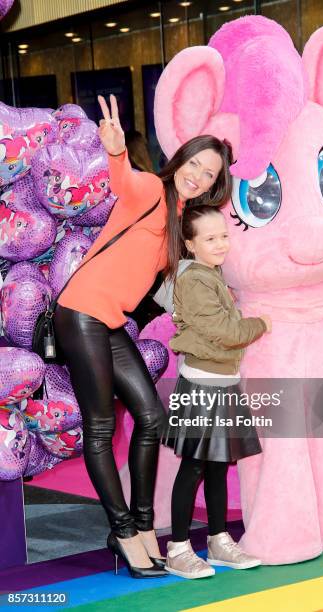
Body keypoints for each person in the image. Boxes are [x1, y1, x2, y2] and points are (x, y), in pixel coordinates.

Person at [54, 94, 233, 579]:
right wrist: (115, 151)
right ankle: (124, 532)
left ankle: (143, 524)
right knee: (100, 428)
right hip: (81, 310)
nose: (197, 174)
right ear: (179, 161)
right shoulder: (152, 188)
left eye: (209, 173)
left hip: (108, 320)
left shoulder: (181, 220)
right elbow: (125, 182)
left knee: (151, 417)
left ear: (215, 185)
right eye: (194, 163)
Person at [162, 205, 272, 579]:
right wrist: (262, 322)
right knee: (195, 465)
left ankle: (218, 540)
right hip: (202, 384)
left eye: (224, 235)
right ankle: (177, 548)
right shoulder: (194, 280)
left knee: (217, 465)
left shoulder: (210, 274)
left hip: (222, 382)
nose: (221, 243)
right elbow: (226, 333)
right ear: (190, 245)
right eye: (210, 239)